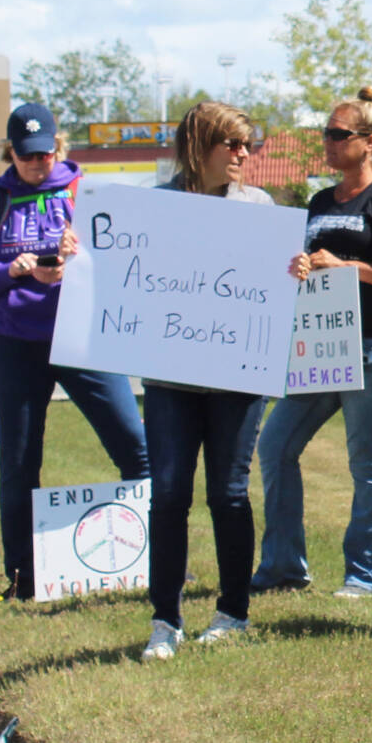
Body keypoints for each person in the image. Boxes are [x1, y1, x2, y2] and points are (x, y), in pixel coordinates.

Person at [0, 101, 149, 601]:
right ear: (10, 154)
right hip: (19, 343)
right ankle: (22, 577)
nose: (37, 164)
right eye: (27, 157)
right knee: (19, 461)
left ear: (58, 148)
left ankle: (160, 556)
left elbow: (130, 259)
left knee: (137, 446)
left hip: (84, 337)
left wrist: (81, 255)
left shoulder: (84, 193)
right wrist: (14, 271)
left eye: (44, 155)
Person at [140, 101, 297, 661]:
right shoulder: (155, 206)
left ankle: (232, 612)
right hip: (169, 379)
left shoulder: (259, 207)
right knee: (169, 494)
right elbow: (122, 270)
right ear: (197, 144)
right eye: (231, 143)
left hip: (237, 374)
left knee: (228, 494)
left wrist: (293, 271)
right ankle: (165, 620)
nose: (243, 154)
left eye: (247, 144)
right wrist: (82, 255)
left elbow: (274, 284)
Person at [253, 87, 372, 598]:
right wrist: (302, 266)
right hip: (321, 346)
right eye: (324, 133)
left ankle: (369, 575)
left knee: (366, 457)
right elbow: (310, 266)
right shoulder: (320, 201)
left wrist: (346, 266)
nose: (326, 142)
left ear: (370, 142)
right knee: (275, 444)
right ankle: (283, 566)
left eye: (337, 134)